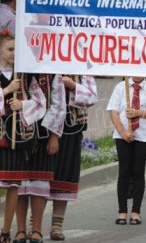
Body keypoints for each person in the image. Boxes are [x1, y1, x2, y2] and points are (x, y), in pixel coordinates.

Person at [0, 30, 47, 243]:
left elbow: (40, 102)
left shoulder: (24, 75)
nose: (14, 53)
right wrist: (6, 91)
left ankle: (7, 230)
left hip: (18, 136)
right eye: (10, 49)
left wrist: (22, 104)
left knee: (14, 183)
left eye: (17, 49)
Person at [14, 72, 66, 243]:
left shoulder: (52, 74)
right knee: (19, 185)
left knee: (39, 183)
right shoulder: (16, 73)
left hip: (43, 134)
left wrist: (53, 136)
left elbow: (59, 106)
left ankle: (36, 230)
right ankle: (20, 230)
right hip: (17, 134)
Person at [107, 76, 146, 225]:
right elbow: (113, 111)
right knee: (124, 171)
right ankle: (122, 211)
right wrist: (122, 132)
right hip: (122, 135)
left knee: (138, 171)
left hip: (142, 136)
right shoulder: (120, 87)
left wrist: (138, 113)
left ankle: (136, 211)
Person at [48, 75, 98, 240]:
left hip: (72, 128)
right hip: (45, 127)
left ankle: (57, 225)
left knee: (65, 176)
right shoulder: (47, 64)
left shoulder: (81, 67)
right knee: (40, 177)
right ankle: (34, 224)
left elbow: (92, 96)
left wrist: (73, 86)